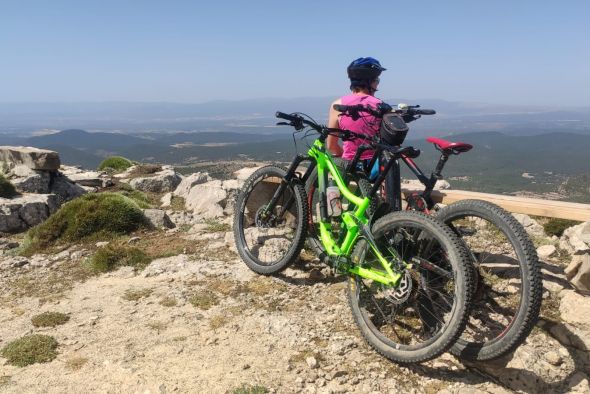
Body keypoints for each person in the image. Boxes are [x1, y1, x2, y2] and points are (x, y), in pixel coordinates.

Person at [326, 57, 386, 162]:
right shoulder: (381, 106)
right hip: (376, 166)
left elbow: (331, 145)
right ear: (370, 82)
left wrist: (345, 156)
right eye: (377, 80)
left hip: (350, 165)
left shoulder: (337, 105)